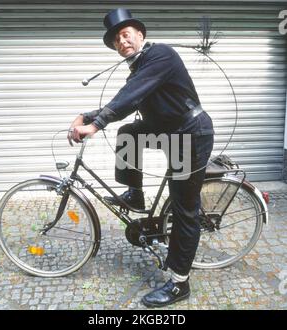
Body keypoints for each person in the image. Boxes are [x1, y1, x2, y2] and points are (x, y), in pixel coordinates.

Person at [68, 8, 214, 308]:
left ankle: (179, 283)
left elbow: (130, 96)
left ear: (140, 35)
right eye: (115, 41)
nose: (121, 42)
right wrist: (86, 114)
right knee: (129, 132)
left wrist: (95, 125)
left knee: (185, 209)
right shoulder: (138, 69)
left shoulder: (161, 55)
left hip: (189, 133)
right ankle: (136, 194)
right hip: (168, 131)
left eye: (125, 35)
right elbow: (124, 98)